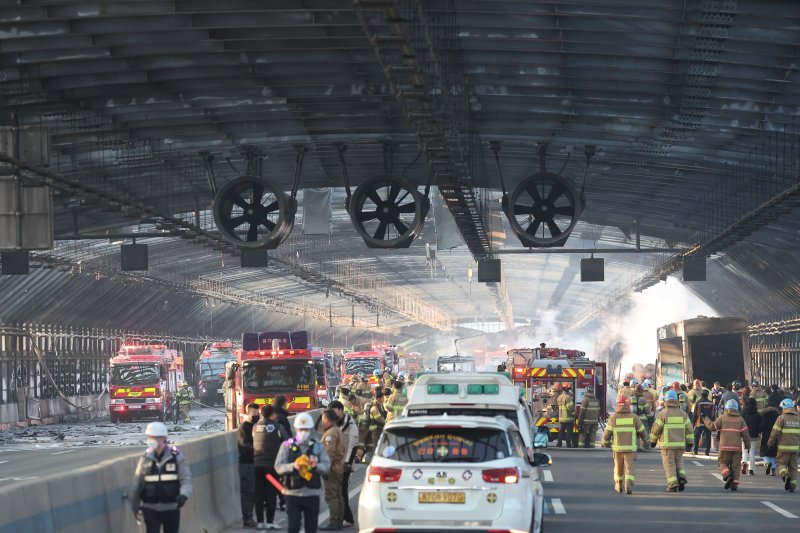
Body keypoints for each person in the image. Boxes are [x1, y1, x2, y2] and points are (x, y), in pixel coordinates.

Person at [129, 422, 193, 533]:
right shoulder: (145, 459)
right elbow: (137, 485)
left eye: (154, 437)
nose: (151, 440)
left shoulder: (175, 457)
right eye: (150, 437)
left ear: (163, 438)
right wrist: (135, 506)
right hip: (150, 509)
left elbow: (186, 480)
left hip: (171, 508)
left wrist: (184, 495)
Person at [275, 412, 331, 533]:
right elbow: (278, 467)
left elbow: (326, 466)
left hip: (312, 494)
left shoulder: (318, 446)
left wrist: (315, 466)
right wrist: (293, 466)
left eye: (306, 429)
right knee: (293, 527)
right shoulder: (287, 446)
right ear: (295, 429)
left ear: (310, 429)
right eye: (301, 429)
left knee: (311, 528)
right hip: (292, 494)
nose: (303, 432)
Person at [253, 405, 289, 530]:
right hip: (271, 467)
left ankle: (259, 522)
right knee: (271, 494)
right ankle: (269, 521)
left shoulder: (255, 427)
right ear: (273, 415)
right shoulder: (278, 427)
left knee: (258, 494)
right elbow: (288, 441)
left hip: (257, 466)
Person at [602, 396, 647, 494]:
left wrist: (605, 443)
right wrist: (644, 440)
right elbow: (642, 431)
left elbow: (607, 433)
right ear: (628, 405)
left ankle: (619, 485)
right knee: (629, 467)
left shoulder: (613, 417)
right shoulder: (634, 417)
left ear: (618, 405)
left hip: (617, 448)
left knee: (618, 467)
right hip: (630, 448)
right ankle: (628, 486)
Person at [650, 390, 693, 492]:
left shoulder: (663, 413)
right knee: (679, 461)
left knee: (669, 464)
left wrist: (653, 441)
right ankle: (681, 476)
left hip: (667, 445)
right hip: (680, 444)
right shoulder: (683, 414)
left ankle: (673, 484)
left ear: (666, 400)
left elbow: (656, 429)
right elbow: (689, 429)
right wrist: (690, 442)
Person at [703, 399, 750, 491]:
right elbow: (746, 434)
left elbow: (712, 427)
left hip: (724, 447)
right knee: (736, 467)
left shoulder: (722, 418)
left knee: (722, 463)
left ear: (726, 408)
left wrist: (705, 418)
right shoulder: (741, 420)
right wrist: (748, 446)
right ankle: (734, 485)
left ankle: (727, 475)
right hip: (737, 448)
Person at [329, 400, 360, 527]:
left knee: (341, 492)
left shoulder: (351, 425)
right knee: (337, 492)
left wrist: (347, 463)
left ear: (341, 410)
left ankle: (346, 519)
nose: (333, 414)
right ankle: (344, 518)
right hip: (334, 464)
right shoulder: (333, 424)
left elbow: (353, 446)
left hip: (344, 464)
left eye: (335, 411)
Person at [319, 410, 346, 531]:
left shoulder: (331, 433)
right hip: (338, 466)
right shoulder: (336, 431)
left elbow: (329, 453)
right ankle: (339, 520)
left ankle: (334, 521)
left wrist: (325, 468)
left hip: (331, 468)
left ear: (330, 420)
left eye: (324, 420)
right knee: (338, 495)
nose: (322, 422)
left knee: (332, 496)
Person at [767, 398, 800, 492]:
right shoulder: (798, 418)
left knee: (781, 464)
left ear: (784, 408)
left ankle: (785, 475)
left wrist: (770, 443)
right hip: (795, 448)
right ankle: (793, 485)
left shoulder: (781, 418)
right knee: (793, 467)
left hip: (783, 447)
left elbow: (775, 433)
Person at [237, 403, 260, 528]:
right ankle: (247, 518)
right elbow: (245, 446)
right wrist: (259, 448)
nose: (257, 416)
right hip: (246, 464)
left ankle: (250, 516)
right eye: (255, 414)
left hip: (254, 464)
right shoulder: (244, 428)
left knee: (254, 493)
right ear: (248, 414)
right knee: (247, 493)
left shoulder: (255, 427)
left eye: (258, 413)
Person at [760, 398, 781, 476]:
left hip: (766, 435)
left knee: (764, 452)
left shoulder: (764, 415)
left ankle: (767, 463)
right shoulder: (778, 416)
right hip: (775, 436)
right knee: (773, 453)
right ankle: (773, 469)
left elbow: (761, 426)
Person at [741, 397, 761, 476]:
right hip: (754, 435)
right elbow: (760, 425)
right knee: (752, 452)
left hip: (744, 435)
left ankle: (744, 462)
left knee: (745, 450)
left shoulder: (743, 413)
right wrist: (758, 432)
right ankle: (751, 470)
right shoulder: (757, 414)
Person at [691, 389, 714, 455]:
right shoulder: (711, 403)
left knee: (697, 436)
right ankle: (707, 451)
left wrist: (693, 422)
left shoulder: (699, 403)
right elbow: (713, 414)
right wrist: (712, 422)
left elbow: (695, 414)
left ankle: (695, 451)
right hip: (708, 423)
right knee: (708, 437)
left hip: (699, 422)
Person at [366, 390, 388, 456]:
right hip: (375, 429)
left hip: (379, 428)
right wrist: (387, 422)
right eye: (382, 397)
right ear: (378, 398)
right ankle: (374, 457)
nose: (383, 399)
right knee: (376, 443)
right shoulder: (374, 408)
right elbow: (379, 419)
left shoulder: (380, 405)